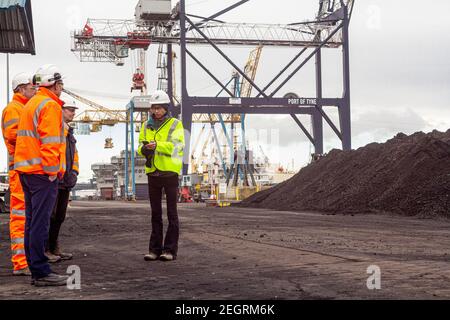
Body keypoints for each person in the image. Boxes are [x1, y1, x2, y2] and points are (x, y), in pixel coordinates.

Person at [14, 64, 68, 287]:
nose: (62, 87)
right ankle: (40, 271)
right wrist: (52, 171)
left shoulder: (32, 103)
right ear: (54, 85)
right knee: (40, 223)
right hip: (41, 174)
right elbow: (49, 142)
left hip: (26, 170)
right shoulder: (50, 106)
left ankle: (36, 267)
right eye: (61, 83)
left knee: (31, 222)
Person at [138, 90, 185, 262]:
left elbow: (177, 146)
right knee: (155, 213)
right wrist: (143, 149)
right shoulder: (145, 125)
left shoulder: (175, 124)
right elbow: (139, 146)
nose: (155, 111)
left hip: (169, 172)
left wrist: (157, 145)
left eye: (159, 108)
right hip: (153, 173)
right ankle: (154, 250)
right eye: (153, 108)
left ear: (166, 108)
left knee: (172, 214)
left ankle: (170, 250)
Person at [1, 73, 36, 276]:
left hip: (27, 169)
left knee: (28, 215)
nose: (34, 91)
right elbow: (15, 137)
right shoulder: (14, 109)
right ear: (21, 89)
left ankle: (26, 259)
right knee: (21, 216)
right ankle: (21, 262)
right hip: (20, 170)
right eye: (31, 88)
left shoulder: (22, 109)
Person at [46, 100, 79, 263]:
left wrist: (74, 172)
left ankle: (54, 247)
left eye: (73, 110)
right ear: (60, 110)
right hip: (54, 178)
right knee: (49, 216)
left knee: (59, 216)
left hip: (65, 180)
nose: (73, 113)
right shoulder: (56, 129)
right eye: (70, 110)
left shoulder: (69, 133)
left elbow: (74, 156)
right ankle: (46, 249)